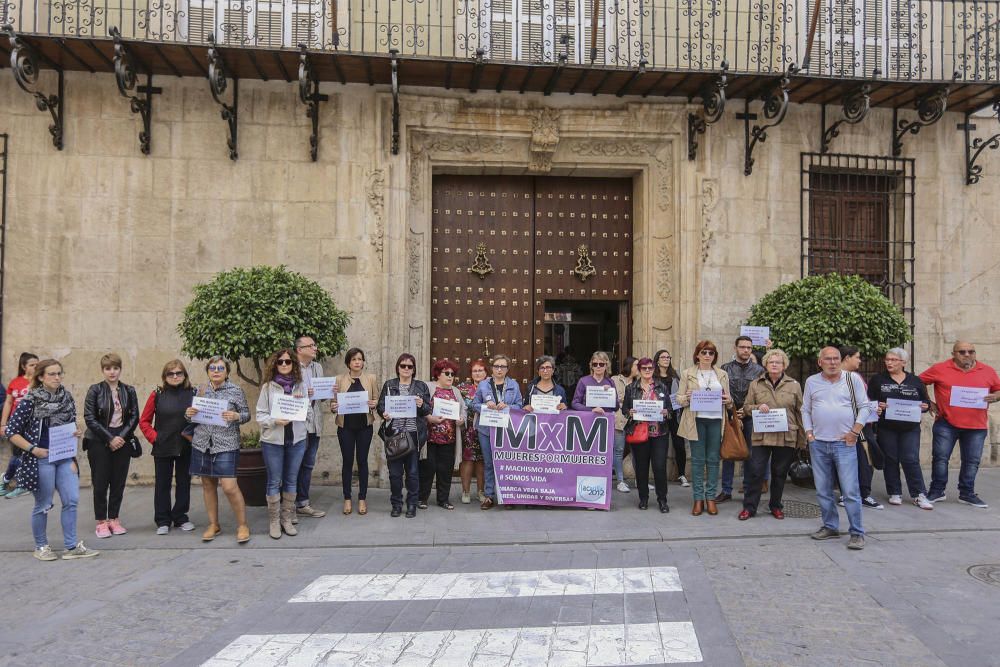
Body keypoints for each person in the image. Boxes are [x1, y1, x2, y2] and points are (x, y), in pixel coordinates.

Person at [6, 359, 99, 560]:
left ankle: (71, 547)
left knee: (71, 500)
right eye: (52, 374)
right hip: (41, 459)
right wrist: (33, 449)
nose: (57, 377)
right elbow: (12, 432)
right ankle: (41, 547)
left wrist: (76, 434)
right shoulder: (30, 401)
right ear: (41, 377)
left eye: (59, 373)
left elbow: (71, 424)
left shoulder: (66, 398)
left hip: (64, 457)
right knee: (43, 504)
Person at [802, 346, 874, 550]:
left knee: (850, 490)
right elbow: (805, 409)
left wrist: (854, 432)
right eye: (828, 359)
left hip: (845, 443)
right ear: (820, 362)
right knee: (823, 489)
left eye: (836, 359)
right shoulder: (811, 382)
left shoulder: (852, 379)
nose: (832, 362)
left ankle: (857, 533)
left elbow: (865, 407)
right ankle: (830, 526)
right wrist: (809, 433)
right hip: (818, 444)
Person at [919, 342, 1000, 508]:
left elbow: (998, 389)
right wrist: (928, 401)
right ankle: (937, 491)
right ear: (953, 354)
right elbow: (918, 381)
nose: (967, 354)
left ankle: (967, 493)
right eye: (962, 352)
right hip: (946, 423)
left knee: (972, 461)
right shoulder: (940, 368)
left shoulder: (987, 371)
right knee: (941, 459)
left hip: (976, 426)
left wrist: (997, 396)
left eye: (971, 351)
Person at [185, 356, 252, 543]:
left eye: (220, 368)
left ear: (227, 372)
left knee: (230, 487)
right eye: (212, 368)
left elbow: (247, 415)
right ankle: (213, 524)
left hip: (226, 443)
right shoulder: (201, 389)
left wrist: (236, 415)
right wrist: (189, 414)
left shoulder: (235, 390)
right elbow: (193, 417)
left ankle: (242, 525)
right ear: (207, 371)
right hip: (202, 442)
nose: (216, 371)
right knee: (207, 485)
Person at [739, 349, 805, 520]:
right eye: (771, 362)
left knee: (779, 472)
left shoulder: (794, 385)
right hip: (762, 435)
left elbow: (801, 412)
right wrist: (756, 408)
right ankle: (749, 507)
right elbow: (746, 407)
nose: (774, 365)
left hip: (786, 435)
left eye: (778, 362)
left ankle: (775, 505)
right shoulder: (756, 384)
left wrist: (803, 438)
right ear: (766, 365)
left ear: (784, 366)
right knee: (755, 471)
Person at [255, 349, 311, 539]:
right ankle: (273, 521)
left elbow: (308, 414)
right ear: (275, 364)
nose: (285, 365)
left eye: (288, 362)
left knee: (291, 479)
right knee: (273, 480)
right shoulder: (267, 388)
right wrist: (274, 421)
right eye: (281, 362)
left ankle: (286, 519)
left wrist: (301, 406)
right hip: (273, 441)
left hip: (296, 439)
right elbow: (260, 415)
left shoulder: (300, 386)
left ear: (294, 364)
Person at [868, 348, 933, 510]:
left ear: (903, 362)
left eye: (893, 360)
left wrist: (925, 407)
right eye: (887, 359)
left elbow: (925, 402)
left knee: (910, 459)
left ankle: (919, 494)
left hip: (910, 427)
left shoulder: (915, 381)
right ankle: (894, 492)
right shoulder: (878, 380)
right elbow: (869, 401)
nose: (889, 362)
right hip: (886, 427)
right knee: (890, 459)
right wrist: (878, 405)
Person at [83, 353, 140, 539]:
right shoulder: (95, 390)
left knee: (118, 482)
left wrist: (121, 437)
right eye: (108, 368)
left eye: (115, 368)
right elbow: (90, 418)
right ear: (103, 370)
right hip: (99, 441)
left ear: (120, 369)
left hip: (122, 441)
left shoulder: (129, 390)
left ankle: (114, 519)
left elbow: (134, 417)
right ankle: (101, 521)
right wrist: (109, 438)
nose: (112, 372)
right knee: (100, 482)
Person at [139, 359, 197, 535]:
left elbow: (201, 419)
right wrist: (154, 438)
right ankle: (163, 520)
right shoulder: (156, 394)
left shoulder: (193, 393)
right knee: (162, 484)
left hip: (185, 445)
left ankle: (180, 517)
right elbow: (144, 421)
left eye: (179, 373)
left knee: (183, 482)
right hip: (163, 445)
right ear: (165, 376)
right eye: (171, 373)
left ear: (184, 375)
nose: (175, 376)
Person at [676, 341, 733, 516]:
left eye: (711, 353)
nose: (707, 355)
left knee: (714, 460)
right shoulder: (688, 373)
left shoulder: (722, 374)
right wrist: (687, 396)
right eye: (704, 352)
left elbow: (729, 400)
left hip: (716, 420)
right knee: (698, 460)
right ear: (698, 354)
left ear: (715, 356)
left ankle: (710, 498)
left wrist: (727, 400)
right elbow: (678, 399)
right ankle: (698, 499)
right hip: (696, 420)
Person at [377, 353, 432, 518]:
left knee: (413, 473)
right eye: (403, 366)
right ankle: (396, 504)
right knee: (394, 474)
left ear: (414, 369)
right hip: (394, 435)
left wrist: (422, 404)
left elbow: (427, 410)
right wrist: (384, 413)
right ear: (398, 368)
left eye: (410, 366)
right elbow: (381, 406)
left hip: (414, 435)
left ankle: (412, 505)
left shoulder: (421, 386)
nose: (406, 369)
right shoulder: (389, 385)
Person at [471, 353, 524, 510]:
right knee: (489, 463)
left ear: (507, 369)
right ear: (492, 368)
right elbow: (474, 404)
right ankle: (489, 496)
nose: (499, 369)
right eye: (496, 366)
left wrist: (507, 407)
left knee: (506, 462)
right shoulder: (483, 385)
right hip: (486, 429)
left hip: (506, 430)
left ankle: (507, 496)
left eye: (503, 366)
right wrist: (485, 406)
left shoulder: (514, 385)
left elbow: (519, 405)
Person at [331, 347, 378, 516]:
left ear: (363, 361)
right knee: (347, 461)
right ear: (348, 363)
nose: (357, 362)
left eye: (360, 359)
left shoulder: (371, 378)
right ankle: (347, 498)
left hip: (365, 426)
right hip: (345, 427)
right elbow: (333, 403)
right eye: (354, 359)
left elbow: (376, 399)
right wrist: (333, 406)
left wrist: (374, 404)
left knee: (363, 461)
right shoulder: (338, 379)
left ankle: (362, 498)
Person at [718, 336, 765, 503]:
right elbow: (722, 393)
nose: (746, 350)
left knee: (750, 454)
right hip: (730, 415)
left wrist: (745, 412)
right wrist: (732, 413)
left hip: (750, 416)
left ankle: (747, 489)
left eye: (749, 348)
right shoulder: (725, 369)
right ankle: (726, 490)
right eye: (743, 347)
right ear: (735, 348)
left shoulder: (759, 370)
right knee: (729, 453)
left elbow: (761, 394)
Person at [622, 358, 672, 512]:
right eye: (644, 368)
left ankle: (662, 500)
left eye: (650, 368)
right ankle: (643, 498)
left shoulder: (661, 386)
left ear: (654, 369)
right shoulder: (631, 388)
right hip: (639, 432)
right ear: (639, 369)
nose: (647, 371)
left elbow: (670, 410)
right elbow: (625, 409)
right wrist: (629, 412)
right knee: (642, 468)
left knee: (659, 467)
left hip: (659, 433)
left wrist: (666, 413)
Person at [836, 346, 882, 510]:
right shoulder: (840, 377)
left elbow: (862, 401)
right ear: (847, 358)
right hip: (850, 425)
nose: (860, 361)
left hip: (864, 424)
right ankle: (849, 493)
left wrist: (874, 407)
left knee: (866, 459)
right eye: (857, 357)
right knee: (849, 460)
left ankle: (862, 493)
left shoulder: (855, 376)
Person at [422, 359, 467, 510]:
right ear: (438, 374)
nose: (450, 377)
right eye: (446, 373)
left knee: (445, 470)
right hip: (430, 438)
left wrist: (462, 420)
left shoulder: (455, 391)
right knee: (428, 469)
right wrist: (430, 418)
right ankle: (422, 498)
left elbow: (463, 410)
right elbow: (422, 407)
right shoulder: (428, 387)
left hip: (449, 439)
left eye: (452, 374)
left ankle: (443, 499)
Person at [294, 335, 327, 520]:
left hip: (315, 422)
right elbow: (284, 394)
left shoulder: (318, 367)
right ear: (300, 349)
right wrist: (304, 393)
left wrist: (328, 392)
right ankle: (289, 505)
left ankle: (303, 503)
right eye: (311, 345)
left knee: (308, 464)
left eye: (315, 345)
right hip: (298, 422)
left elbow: (321, 397)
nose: (315, 348)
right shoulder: (289, 367)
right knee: (294, 464)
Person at [1, 352, 38, 499]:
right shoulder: (15, 382)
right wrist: (3, 424)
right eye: (31, 365)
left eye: (37, 364)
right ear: (24, 367)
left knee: (27, 454)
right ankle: (6, 479)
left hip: (32, 425)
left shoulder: (40, 382)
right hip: (16, 425)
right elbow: (8, 403)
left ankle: (21, 484)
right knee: (17, 454)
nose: (35, 367)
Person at [653, 349, 688, 487]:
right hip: (658, 416)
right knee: (658, 446)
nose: (666, 359)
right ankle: (658, 477)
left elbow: (681, 393)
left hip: (674, 415)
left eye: (668, 357)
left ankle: (682, 474)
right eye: (663, 357)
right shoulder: (653, 377)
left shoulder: (675, 376)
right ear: (657, 360)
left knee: (679, 445)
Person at [456, 360, 488, 504]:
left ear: (486, 372)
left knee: (482, 461)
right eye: (475, 370)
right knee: (467, 460)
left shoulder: (490, 387)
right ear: (471, 374)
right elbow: (454, 402)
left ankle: (481, 491)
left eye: (481, 370)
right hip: (468, 430)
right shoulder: (463, 388)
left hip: (486, 429)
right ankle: (466, 491)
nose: (478, 373)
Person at [611, 356, 638, 493]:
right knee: (619, 450)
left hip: (635, 422)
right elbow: (611, 398)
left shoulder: (638, 382)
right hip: (619, 420)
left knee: (637, 452)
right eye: (636, 365)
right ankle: (620, 481)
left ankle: (640, 481)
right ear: (629, 366)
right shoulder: (615, 380)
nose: (639, 368)